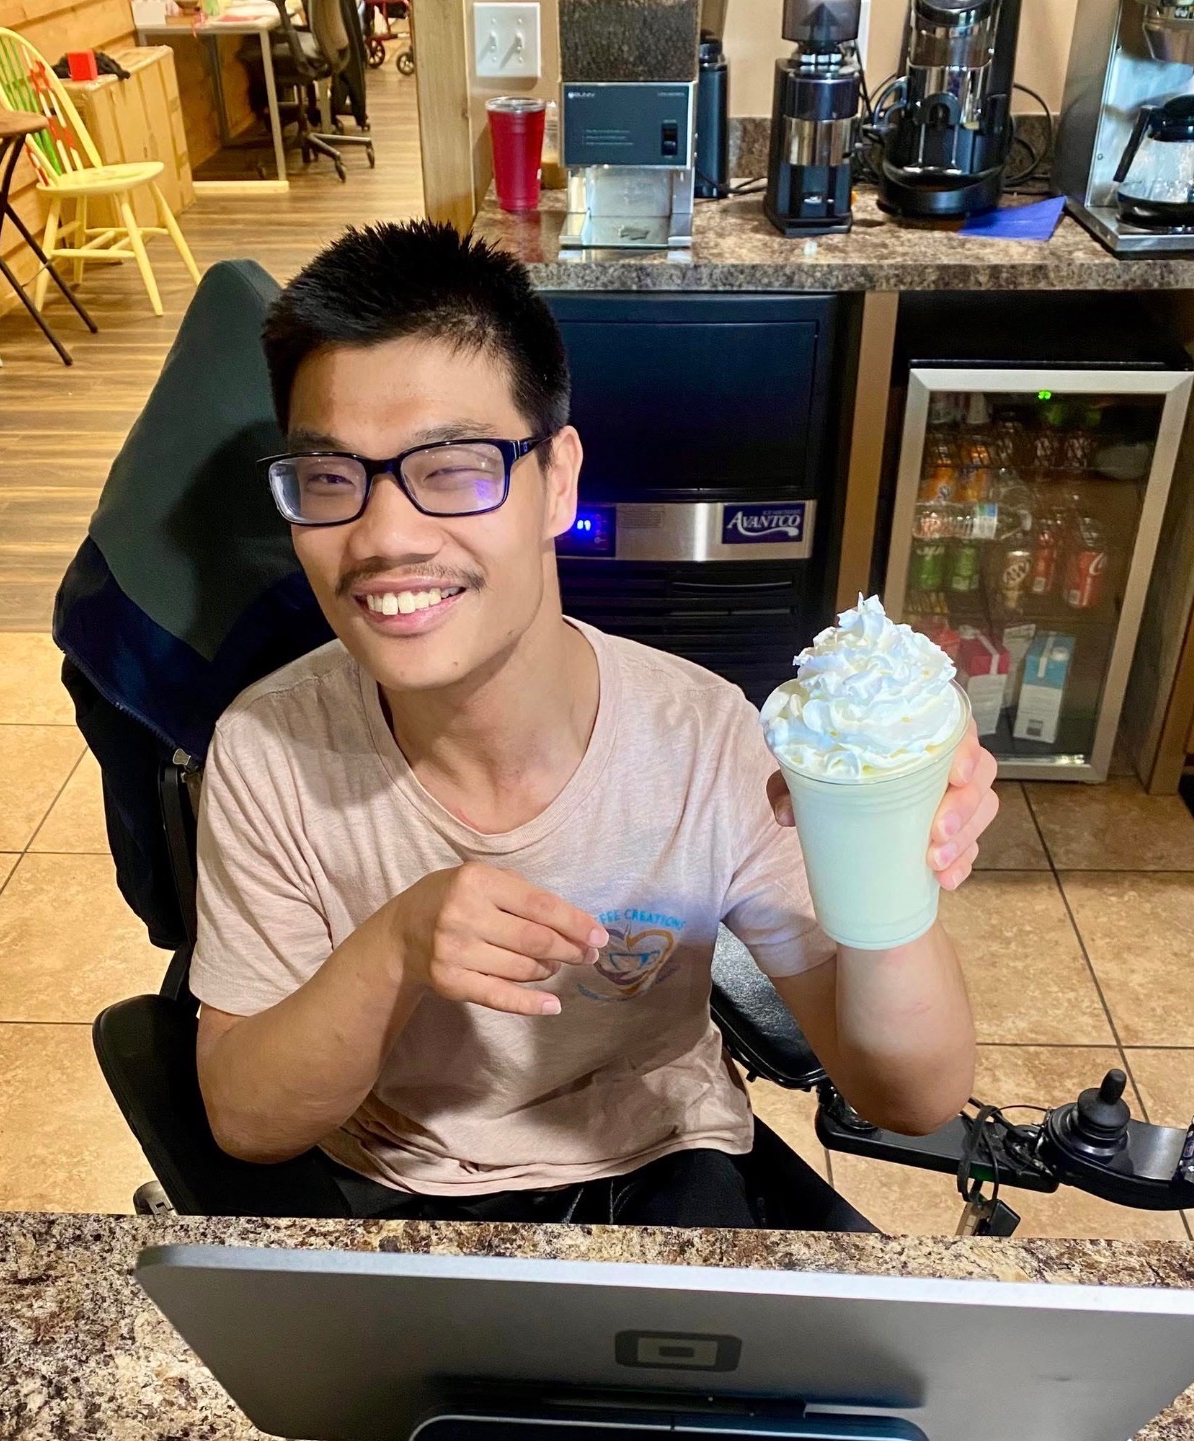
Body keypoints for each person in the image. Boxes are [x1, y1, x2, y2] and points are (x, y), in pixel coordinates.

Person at [190, 220, 998, 1228]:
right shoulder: (270, 752)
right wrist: (395, 947)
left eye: (452, 468)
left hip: (661, 1155)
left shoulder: (707, 740)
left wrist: (887, 842)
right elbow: (246, 1117)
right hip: (400, 1185)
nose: (385, 537)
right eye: (328, 480)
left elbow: (910, 1098)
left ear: (557, 481)